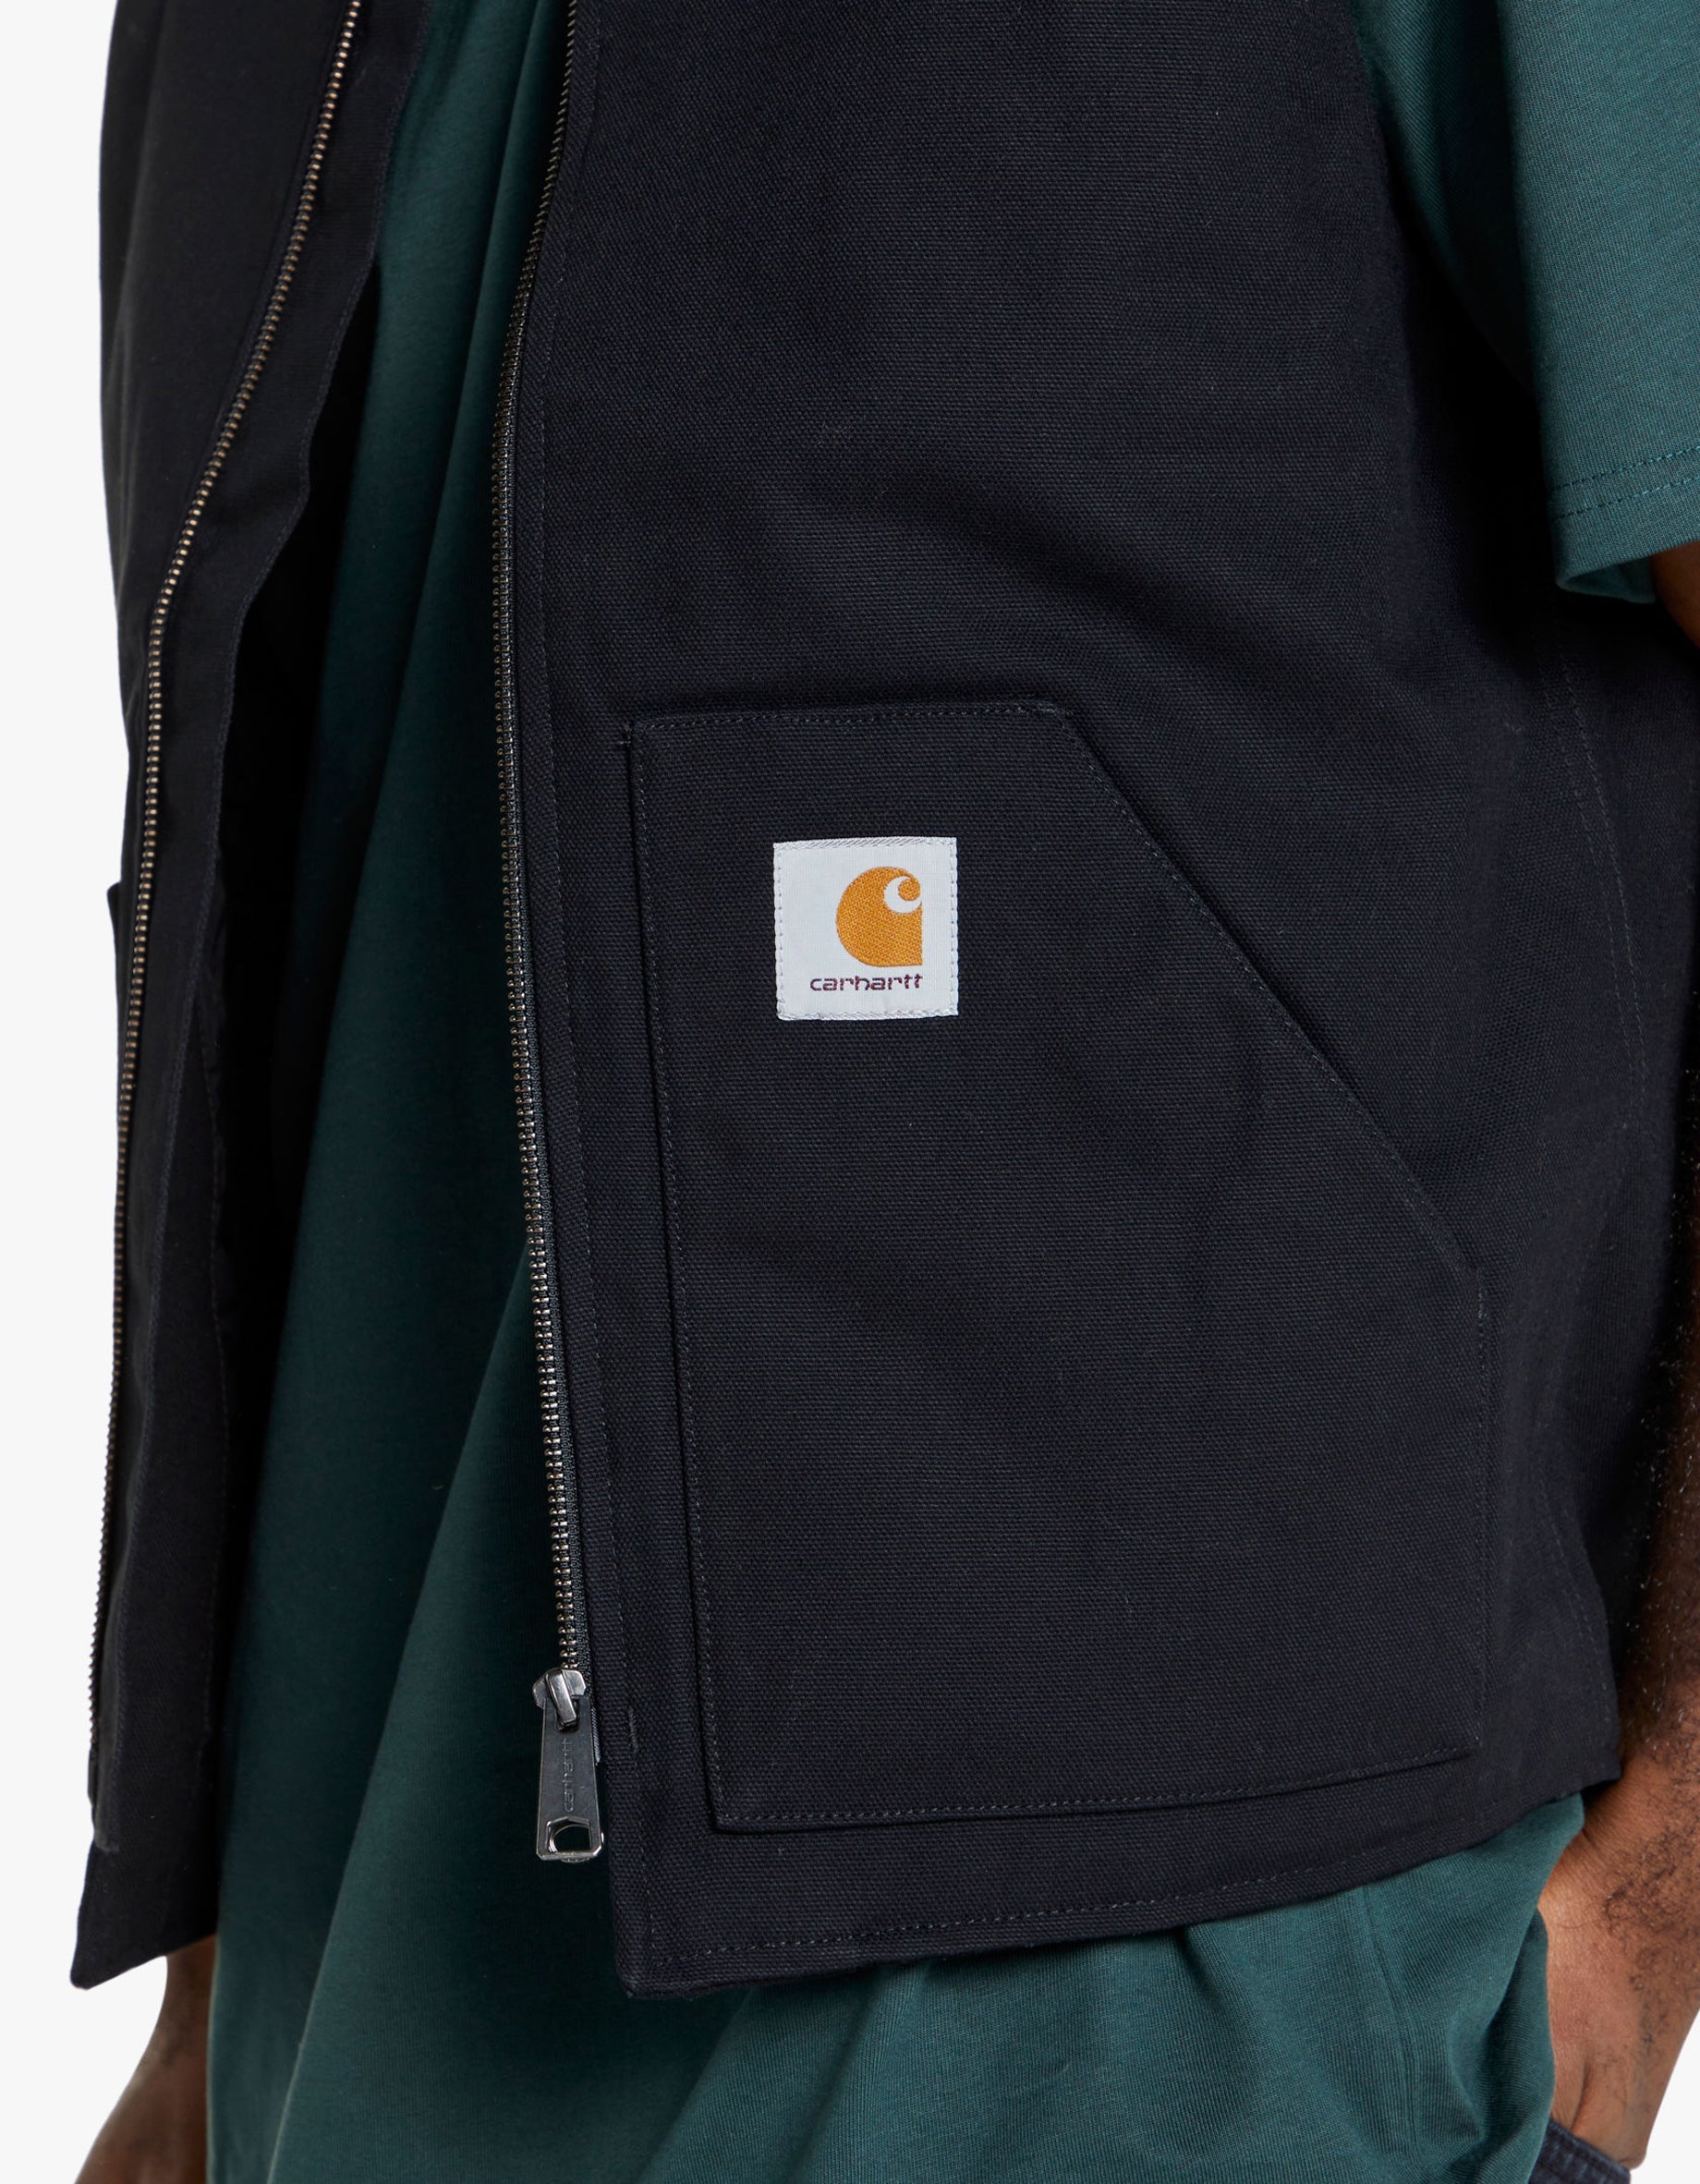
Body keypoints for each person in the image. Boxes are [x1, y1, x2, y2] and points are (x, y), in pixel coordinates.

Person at [72, 1, 1700, 2178]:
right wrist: (211, 1988)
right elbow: (284, 963)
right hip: (366, 2005)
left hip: (1181, 1997)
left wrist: (1663, 1870)